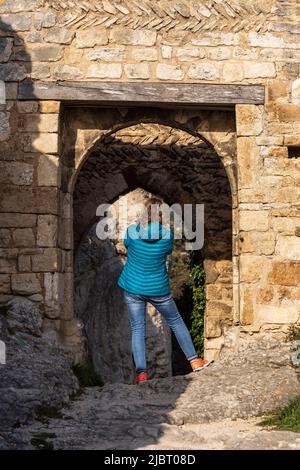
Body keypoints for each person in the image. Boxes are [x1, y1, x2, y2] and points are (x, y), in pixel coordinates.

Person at [117, 196, 211, 384]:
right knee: (176, 321)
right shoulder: (167, 236)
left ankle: (142, 374)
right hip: (158, 289)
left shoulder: (132, 232)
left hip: (133, 287)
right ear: (162, 215)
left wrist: (138, 224)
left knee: (137, 328)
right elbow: (167, 251)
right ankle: (194, 362)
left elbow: (126, 244)